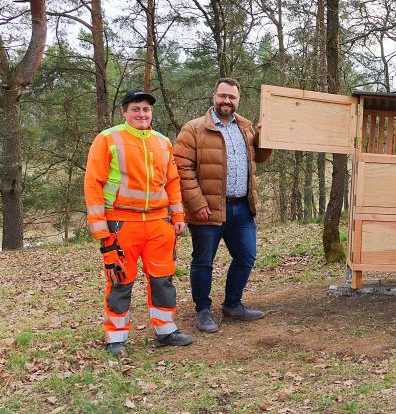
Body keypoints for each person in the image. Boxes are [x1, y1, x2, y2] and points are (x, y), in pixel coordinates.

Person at [84, 88, 193, 356]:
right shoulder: (107, 139)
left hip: (159, 223)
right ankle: (116, 337)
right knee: (120, 280)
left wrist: (178, 215)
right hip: (122, 224)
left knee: (163, 280)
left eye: (146, 109)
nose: (142, 113)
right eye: (136, 109)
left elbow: (172, 181)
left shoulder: (163, 142)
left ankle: (166, 331)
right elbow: (93, 183)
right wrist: (99, 227)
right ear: (124, 112)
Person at [174, 78, 272, 333]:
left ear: (238, 100)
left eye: (232, 97)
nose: (227, 101)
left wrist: (266, 137)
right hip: (207, 209)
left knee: (246, 256)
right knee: (203, 261)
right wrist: (196, 203)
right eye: (223, 96)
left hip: (242, 208)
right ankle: (203, 311)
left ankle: (232, 305)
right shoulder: (193, 129)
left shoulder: (246, 127)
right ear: (214, 96)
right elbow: (181, 168)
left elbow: (260, 158)